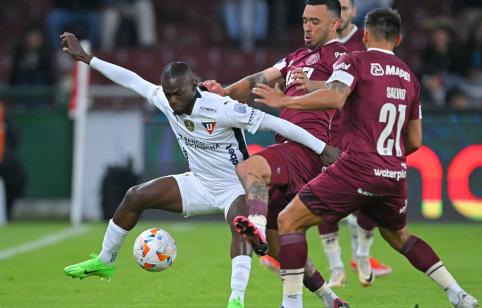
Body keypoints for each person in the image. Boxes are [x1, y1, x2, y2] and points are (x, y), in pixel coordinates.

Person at [59, 32, 342, 308]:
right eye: (169, 95)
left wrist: (321, 148)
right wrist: (88, 59)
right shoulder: (166, 100)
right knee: (135, 195)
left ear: (193, 84)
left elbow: (277, 124)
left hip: (236, 186)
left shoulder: (222, 108)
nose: (173, 101)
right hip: (199, 183)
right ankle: (105, 262)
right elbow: (132, 80)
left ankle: (238, 299)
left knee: (253, 235)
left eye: (178, 94)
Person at [252, 8, 478, 308]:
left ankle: (291, 303)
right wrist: (387, 159)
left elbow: (334, 97)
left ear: (366, 34)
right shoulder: (410, 78)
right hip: (394, 172)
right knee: (400, 238)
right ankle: (458, 294)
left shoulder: (353, 60)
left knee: (288, 220)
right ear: (398, 39)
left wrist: (285, 100)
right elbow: (415, 140)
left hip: (356, 167)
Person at [203, 1, 350, 307]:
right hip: (291, 148)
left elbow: (340, 93)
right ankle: (330, 298)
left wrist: (306, 87)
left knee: (248, 169)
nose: (307, 27)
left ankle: (254, 226)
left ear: (334, 24)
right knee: (281, 244)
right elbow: (258, 80)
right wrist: (224, 92)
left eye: (315, 21)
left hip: (306, 147)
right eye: (304, 20)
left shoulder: (340, 56)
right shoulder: (296, 56)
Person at [316, 0, 391, 287]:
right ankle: (335, 267)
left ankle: (362, 254)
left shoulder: (367, 42)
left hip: (364, 128)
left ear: (352, 13)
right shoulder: (321, 44)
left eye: (346, 8)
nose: (341, 15)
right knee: (323, 198)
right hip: (331, 129)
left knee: (369, 197)